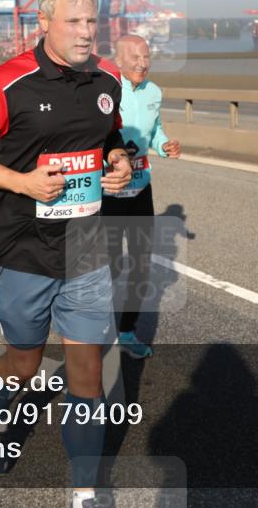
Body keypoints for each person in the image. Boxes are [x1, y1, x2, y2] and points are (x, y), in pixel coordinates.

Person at [0, 0, 132, 507]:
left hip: (87, 253)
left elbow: (110, 136)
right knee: (22, 366)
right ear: (44, 21)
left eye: (91, 20)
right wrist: (21, 182)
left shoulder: (107, 80)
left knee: (88, 374)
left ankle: (85, 491)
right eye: (73, 21)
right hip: (22, 252)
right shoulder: (7, 83)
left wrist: (117, 160)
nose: (84, 31)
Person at [101, 35, 181, 359]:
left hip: (140, 190)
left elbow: (156, 128)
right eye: (134, 57)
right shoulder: (105, 92)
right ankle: (97, 328)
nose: (142, 63)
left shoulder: (154, 92)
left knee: (141, 264)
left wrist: (163, 145)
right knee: (108, 265)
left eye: (146, 56)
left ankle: (127, 330)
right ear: (117, 60)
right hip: (108, 190)